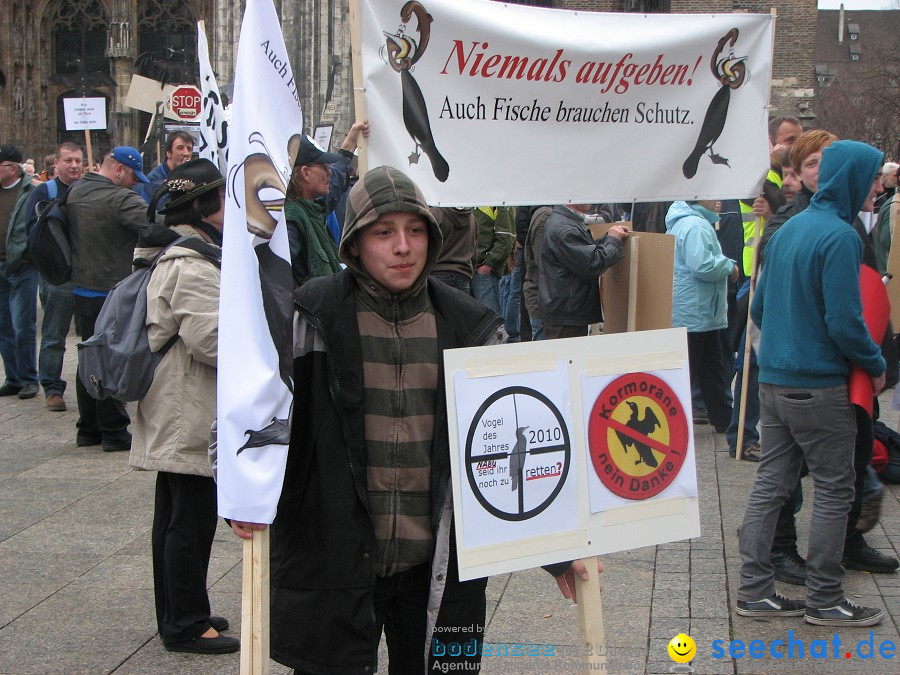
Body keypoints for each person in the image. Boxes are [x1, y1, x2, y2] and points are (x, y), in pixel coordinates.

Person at [230, 166, 595, 673]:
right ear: (355, 243)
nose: (403, 246)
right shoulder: (308, 316)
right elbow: (246, 412)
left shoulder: (472, 329)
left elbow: (514, 448)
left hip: (443, 573)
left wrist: (556, 547)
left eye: (415, 230)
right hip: (335, 559)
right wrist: (239, 493)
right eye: (383, 232)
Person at [736, 140, 887, 628]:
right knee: (834, 488)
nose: (878, 185)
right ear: (853, 180)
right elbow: (844, 320)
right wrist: (874, 361)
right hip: (818, 385)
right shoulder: (840, 237)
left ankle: (754, 591)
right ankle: (825, 599)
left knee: (770, 486)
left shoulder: (789, 228)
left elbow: (757, 309)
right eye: (872, 177)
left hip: (775, 383)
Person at [129, 159, 238, 655]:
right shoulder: (190, 263)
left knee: (175, 514)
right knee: (188, 518)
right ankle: (185, 624)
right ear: (201, 207)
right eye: (219, 200)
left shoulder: (176, 252)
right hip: (186, 403)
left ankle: (180, 610)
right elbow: (210, 340)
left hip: (178, 398)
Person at [67, 147, 150, 452]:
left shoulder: (75, 192)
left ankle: (88, 428)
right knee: (113, 357)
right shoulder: (121, 199)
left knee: (88, 354)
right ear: (118, 170)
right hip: (113, 290)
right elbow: (156, 227)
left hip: (81, 287)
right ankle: (113, 430)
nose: (133, 183)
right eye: (131, 176)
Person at [666, 200, 738, 433]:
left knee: (710, 368)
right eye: (712, 195)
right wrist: (729, 266)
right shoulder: (695, 225)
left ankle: (723, 418)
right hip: (697, 311)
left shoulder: (684, 222)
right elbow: (702, 266)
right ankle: (720, 418)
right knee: (699, 369)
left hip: (696, 310)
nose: (718, 201)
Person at [23, 142, 84, 411]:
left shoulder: (87, 190)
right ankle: (52, 387)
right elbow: (32, 233)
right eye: (68, 160)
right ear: (56, 164)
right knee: (53, 335)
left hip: (88, 272)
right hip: (59, 275)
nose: (74, 165)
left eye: (78, 161)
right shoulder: (44, 192)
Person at [285, 122, 369, 286]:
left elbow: (336, 178)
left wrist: (350, 142)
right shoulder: (291, 223)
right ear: (305, 173)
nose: (329, 171)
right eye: (323, 166)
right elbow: (275, 276)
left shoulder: (313, 209)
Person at [538, 204, 628, 339]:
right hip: (566, 317)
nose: (591, 201)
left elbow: (584, 253)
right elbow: (593, 263)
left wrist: (608, 238)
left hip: (565, 312)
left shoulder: (564, 221)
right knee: (566, 359)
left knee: (566, 358)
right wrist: (612, 240)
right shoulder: (566, 228)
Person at [0, 143, 38, 398]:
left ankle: (28, 378)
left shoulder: (31, 190)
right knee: (3, 325)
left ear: (12, 168)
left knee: (22, 324)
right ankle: (13, 377)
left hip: (23, 266)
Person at [471, 206, 515, 315]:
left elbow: (506, 239)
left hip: (484, 272)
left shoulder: (500, 201)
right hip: (468, 270)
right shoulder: (470, 197)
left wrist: (488, 265)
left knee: (490, 321)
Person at [137, 131, 194, 205]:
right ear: (169, 153)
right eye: (180, 148)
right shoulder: (154, 178)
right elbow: (167, 207)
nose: (186, 153)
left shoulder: (190, 175)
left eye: (189, 149)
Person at [430, 206, 477, 293]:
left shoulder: (434, 214)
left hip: (437, 274)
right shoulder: (472, 218)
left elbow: (428, 247)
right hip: (463, 276)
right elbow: (474, 253)